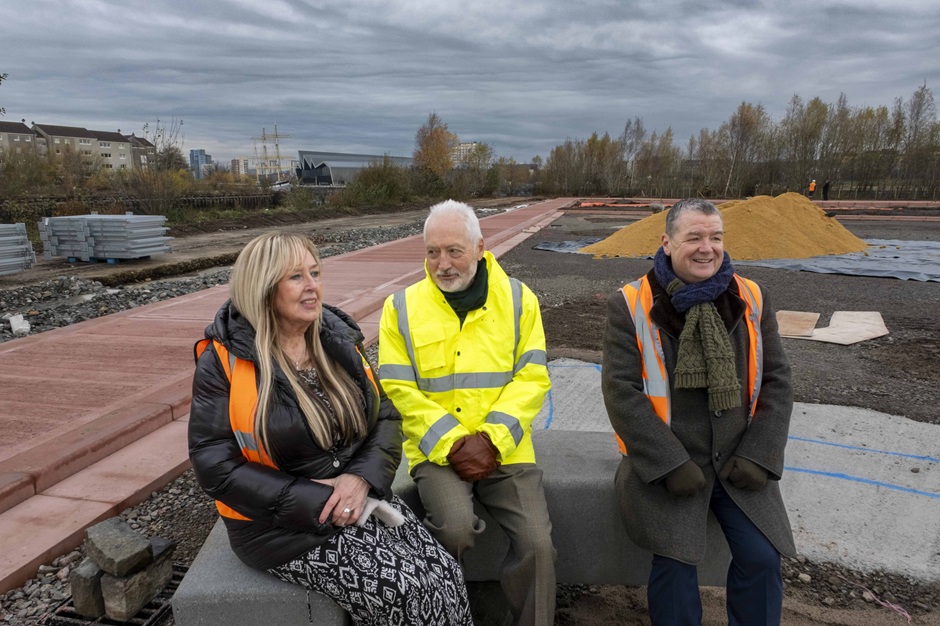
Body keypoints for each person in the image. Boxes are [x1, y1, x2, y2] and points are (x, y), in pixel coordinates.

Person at [188, 232, 472, 625]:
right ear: (264, 288)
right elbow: (213, 464)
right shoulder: (224, 360)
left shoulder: (334, 339)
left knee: (445, 573)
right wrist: (316, 500)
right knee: (409, 594)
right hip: (279, 528)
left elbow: (386, 416)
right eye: (295, 277)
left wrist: (359, 480)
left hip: (355, 496)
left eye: (315, 272)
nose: (312, 287)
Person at [601, 198, 795, 626]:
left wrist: (760, 454)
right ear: (667, 243)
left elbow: (777, 381)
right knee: (675, 565)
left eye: (716, 237)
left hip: (738, 459)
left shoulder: (751, 297)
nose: (707, 248)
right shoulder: (631, 303)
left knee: (762, 558)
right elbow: (621, 392)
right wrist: (668, 463)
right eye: (694, 237)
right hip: (669, 462)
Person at [378, 200, 556, 626]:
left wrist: (491, 439)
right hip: (438, 454)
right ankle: (445, 616)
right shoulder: (400, 308)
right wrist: (452, 442)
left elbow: (532, 379)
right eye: (432, 251)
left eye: (454, 251)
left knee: (538, 545)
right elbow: (397, 390)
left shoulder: (518, 300)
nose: (442, 263)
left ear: (480, 247)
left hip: (507, 450)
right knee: (454, 529)